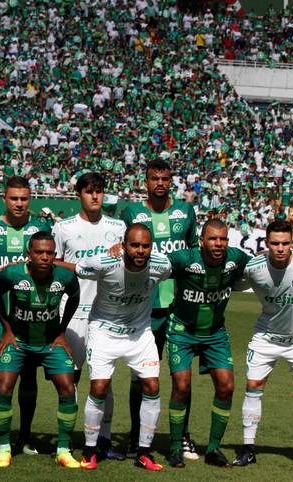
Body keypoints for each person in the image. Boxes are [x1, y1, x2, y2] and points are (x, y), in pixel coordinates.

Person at [57, 224, 170, 471]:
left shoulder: (162, 265)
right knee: (99, 387)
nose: (140, 251)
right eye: (135, 245)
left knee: (152, 385)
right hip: (103, 331)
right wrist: (41, 263)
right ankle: (89, 451)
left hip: (140, 334)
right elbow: (74, 268)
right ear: (124, 245)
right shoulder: (105, 262)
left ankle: (144, 452)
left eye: (145, 246)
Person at [233, 220, 293, 470]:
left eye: (285, 243)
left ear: (292, 242)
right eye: (275, 243)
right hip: (265, 338)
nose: (280, 248)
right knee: (253, 387)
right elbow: (230, 283)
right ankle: (248, 449)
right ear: (266, 243)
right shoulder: (253, 267)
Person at [120, 159, 199, 460]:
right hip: (143, 307)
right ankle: (136, 437)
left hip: (179, 307)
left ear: (171, 181)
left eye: (165, 178)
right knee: (140, 376)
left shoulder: (185, 212)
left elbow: (193, 253)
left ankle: (182, 437)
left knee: (181, 376)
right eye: (154, 178)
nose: (160, 183)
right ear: (146, 181)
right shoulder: (131, 213)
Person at [163, 219, 250, 468]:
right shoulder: (184, 258)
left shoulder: (236, 258)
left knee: (227, 386)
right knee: (181, 385)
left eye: (223, 239)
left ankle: (213, 449)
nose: (218, 243)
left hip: (215, 333)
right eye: (213, 238)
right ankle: (176, 446)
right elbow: (152, 260)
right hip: (182, 330)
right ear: (202, 241)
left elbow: (265, 260)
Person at [52, 171, 126, 460]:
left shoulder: (119, 227)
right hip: (73, 313)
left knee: (103, 380)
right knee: (69, 379)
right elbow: (54, 262)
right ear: (78, 195)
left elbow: (131, 259)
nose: (95, 196)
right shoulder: (64, 228)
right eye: (88, 191)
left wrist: (119, 254)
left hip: (107, 314)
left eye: (99, 191)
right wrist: (88, 266)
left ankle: (103, 441)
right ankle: (65, 440)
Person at [0, 231, 80, 469]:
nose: (44, 257)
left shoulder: (65, 276)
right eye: (39, 252)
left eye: (49, 252)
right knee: (3, 386)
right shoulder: (11, 274)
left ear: (55, 254)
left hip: (51, 342)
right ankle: (4, 447)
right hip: (18, 341)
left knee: (68, 387)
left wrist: (62, 331)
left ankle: (63, 449)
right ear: (28, 254)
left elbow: (74, 298)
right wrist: (7, 329)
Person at [0, 175, 50, 455]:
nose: (19, 204)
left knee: (29, 376)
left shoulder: (41, 227)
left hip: (32, 314)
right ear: (4, 199)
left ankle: (26, 435)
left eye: (24, 199)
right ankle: (0, 435)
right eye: (14, 198)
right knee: (1, 376)